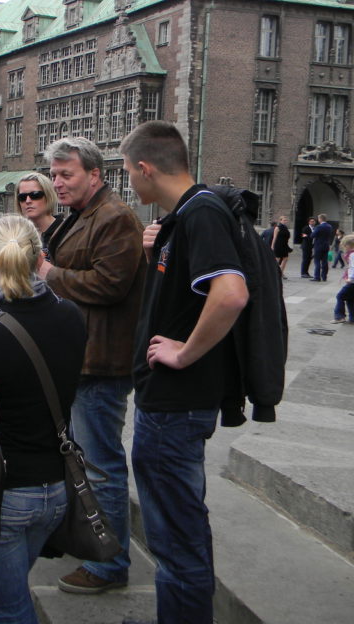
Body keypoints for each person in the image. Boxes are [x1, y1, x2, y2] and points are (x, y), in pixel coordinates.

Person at [120, 120, 249, 624]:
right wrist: (158, 255)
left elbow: (231, 293)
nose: (130, 181)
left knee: (178, 542)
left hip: (175, 409)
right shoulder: (185, 218)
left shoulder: (202, 213)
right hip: (166, 408)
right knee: (174, 536)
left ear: (146, 169)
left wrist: (184, 353)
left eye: (129, 172)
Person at [0, 215, 86, 624]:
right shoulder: (72, 316)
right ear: (41, 259)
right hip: (56, 488)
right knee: (14, 595)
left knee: (9, 610)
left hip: (6, 493)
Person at [39, 136, 145, 594]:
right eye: (54, 175)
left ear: (95, 175)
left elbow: (109, 285)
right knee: (88, 461)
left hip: (101, 364)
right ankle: (92, 545)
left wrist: (47, 273)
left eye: (67, 175)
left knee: (102, 466)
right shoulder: (83, 216)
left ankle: (110, 564)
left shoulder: (115, 217)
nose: (57, 183)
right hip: (79, 358)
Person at [13, 172, 63, 257]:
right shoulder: (14, 234)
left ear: (48, 196)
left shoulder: (66, 231)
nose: (28, 201)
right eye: (22, 197)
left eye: (35, 195)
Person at [331, 233, 354, 325]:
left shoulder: (352, 255)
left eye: (345, 245)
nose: (344, 248)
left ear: (349, 245)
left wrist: (350, 278)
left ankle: (339, 317)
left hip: (352, 281)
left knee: (340, 296)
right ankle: (352, 317)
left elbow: (353, 267)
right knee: (350, 298)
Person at [312, 213, 334, 282]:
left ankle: (317, 277)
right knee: (325, 262)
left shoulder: (319, 227)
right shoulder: (329, 226)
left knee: (317, 261)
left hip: (318, 245)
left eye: (318, 219)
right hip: (326, 245)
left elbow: (312, 235)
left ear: (320, 219)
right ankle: (324, 277)